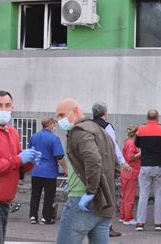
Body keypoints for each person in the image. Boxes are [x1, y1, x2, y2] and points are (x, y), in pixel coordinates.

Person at [55, 98, 119, 244]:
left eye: (62, 115)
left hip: (81, 200)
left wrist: (91, 191)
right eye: (57, 116)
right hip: (104, 204)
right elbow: (115, 167)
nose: (59, 120)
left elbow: (93, 159)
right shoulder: (102, 132)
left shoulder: (79, 131)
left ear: (76, 111)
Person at [0, 90, 41, 243]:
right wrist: (18, 159)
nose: (3, 109)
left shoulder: (13, 132)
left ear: (12, 108)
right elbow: (13, 161)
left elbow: (17, 166)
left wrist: (30, 161)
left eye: (7, 105)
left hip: (4, 204)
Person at [92, 102, 128, 237]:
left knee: (94, 196)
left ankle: (93, 227)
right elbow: (113, 146)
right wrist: (123, 163)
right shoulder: (107, 127)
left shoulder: (88, 126)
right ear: (104, 113)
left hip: (90, 165)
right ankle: (107, 228)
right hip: (105, 166)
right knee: (107, 197)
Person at [134, 109, 161, 232]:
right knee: (159, 195)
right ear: (158, 118)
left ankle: (140, 223)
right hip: (160, 166)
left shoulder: (141, 130)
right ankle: (158, 223)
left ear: (147, 118)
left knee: (143, 195)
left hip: (145, 166)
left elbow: (138, 145)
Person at [29, 117, 67, 225]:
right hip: (49, 172)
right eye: (54, 124)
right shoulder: (54, 139)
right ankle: (46, 217)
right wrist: (65, 168)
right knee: (49, 196)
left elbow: (30, 153)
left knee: (35, 195)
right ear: (50, 125)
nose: (55, 126)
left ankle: (33, 216)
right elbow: (59, 156)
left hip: (36, 171)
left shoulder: (34, 137)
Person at [119, 124, 141, 225]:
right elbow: (131, 157)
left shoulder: (127, 142)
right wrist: (142, 153)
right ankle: (128, 218)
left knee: (124, 195)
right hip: (131, 173)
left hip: (126, 172)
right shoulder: (131, 144)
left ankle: (123, 216)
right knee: (129, 196)